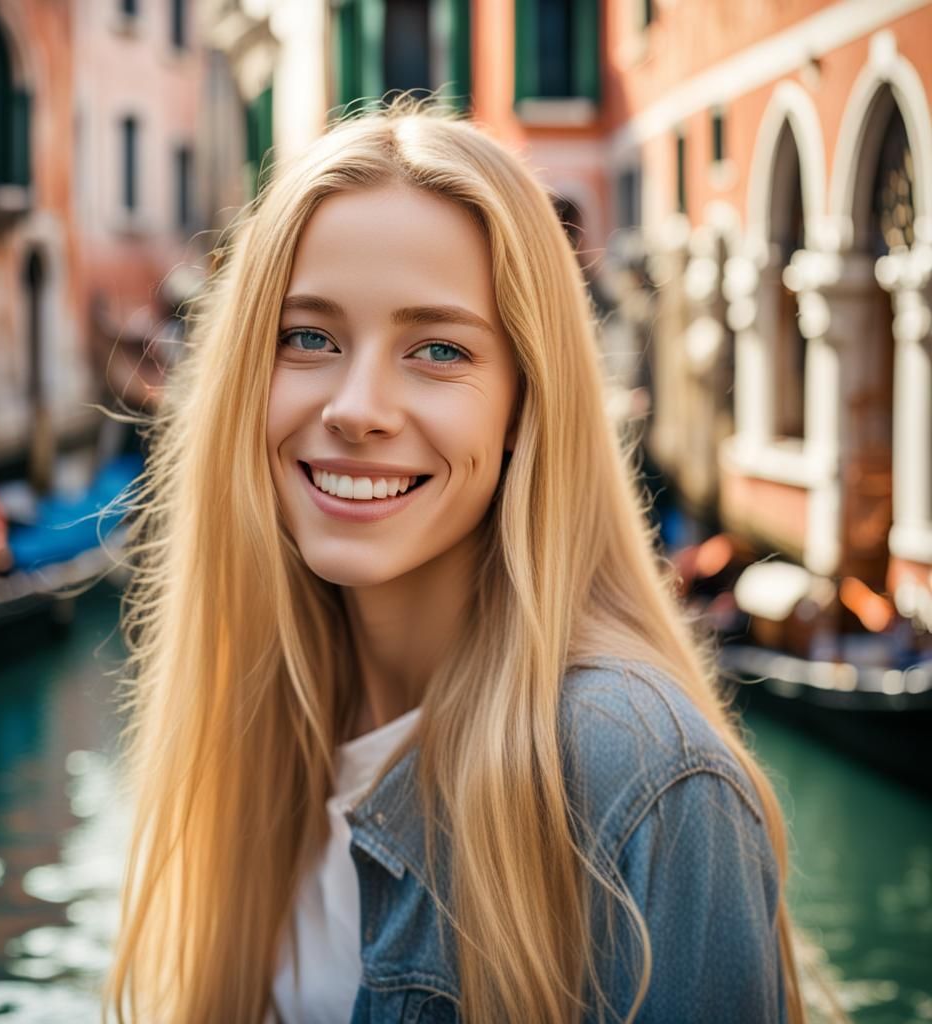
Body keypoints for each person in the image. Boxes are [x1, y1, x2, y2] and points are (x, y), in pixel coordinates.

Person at [103, 98, 813, 1023]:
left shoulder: (633, 777)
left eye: (438, 349)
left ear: (525, 402)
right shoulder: (267, 712)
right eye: (308, 337)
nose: (357, 408)